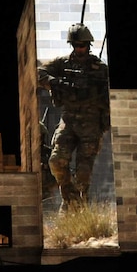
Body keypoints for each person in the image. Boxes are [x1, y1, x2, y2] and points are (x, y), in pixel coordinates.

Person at [37, 23, 110, 212]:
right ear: (72, 45)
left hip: (91, 126)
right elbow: (38, 73)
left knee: (83, 174)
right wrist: (54, 83)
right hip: (68, 122)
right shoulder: (62, 64)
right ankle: (70, 198)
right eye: (77, 45)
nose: (80, 49)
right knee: (56, 161)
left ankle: (78, 209)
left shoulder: (100, 69)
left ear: (89, 45)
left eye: (83, 45)